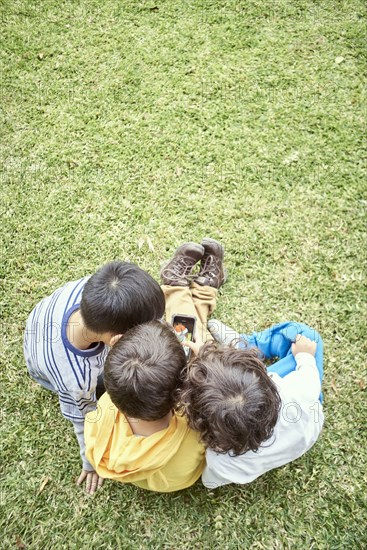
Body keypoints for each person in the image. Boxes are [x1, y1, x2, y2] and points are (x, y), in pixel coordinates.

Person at [24, 261, 165, 492]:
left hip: (44, 324)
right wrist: (90, 463)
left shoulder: (94, 292)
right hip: (47, 369)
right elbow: (84, 421)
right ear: (116, 340)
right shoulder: (78, 379)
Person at [182, 320, 324, 489]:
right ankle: (247, 346)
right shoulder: (298, 390)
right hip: (302, 418)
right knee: (308, 337)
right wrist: (305, 356)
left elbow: (209, 482)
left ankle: (244, 348)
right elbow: (310, 374)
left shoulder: (221, 462)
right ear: (265, 377)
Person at [84, 321, 205, 492]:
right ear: (183, 388)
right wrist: (205, 363)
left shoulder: (104, 409)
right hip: (173, 482)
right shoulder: (195, 425)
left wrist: (120, 356)